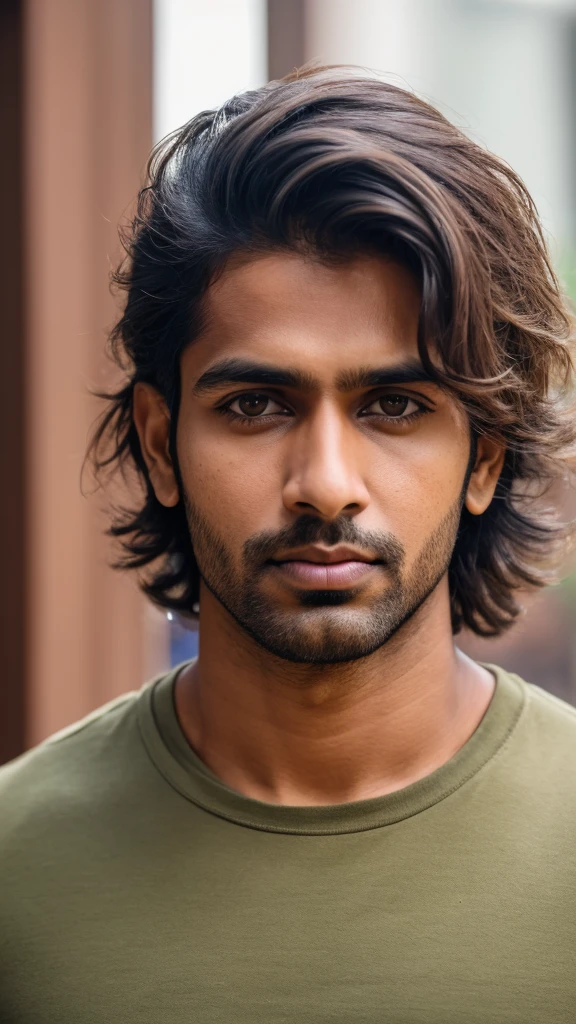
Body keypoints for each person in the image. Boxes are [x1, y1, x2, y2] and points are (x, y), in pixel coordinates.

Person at [1, 66, 575, 1023]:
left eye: (394, 406)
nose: (325, 483)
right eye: (255, 405)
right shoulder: (16, 869)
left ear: (485, 459)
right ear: (160, 443)